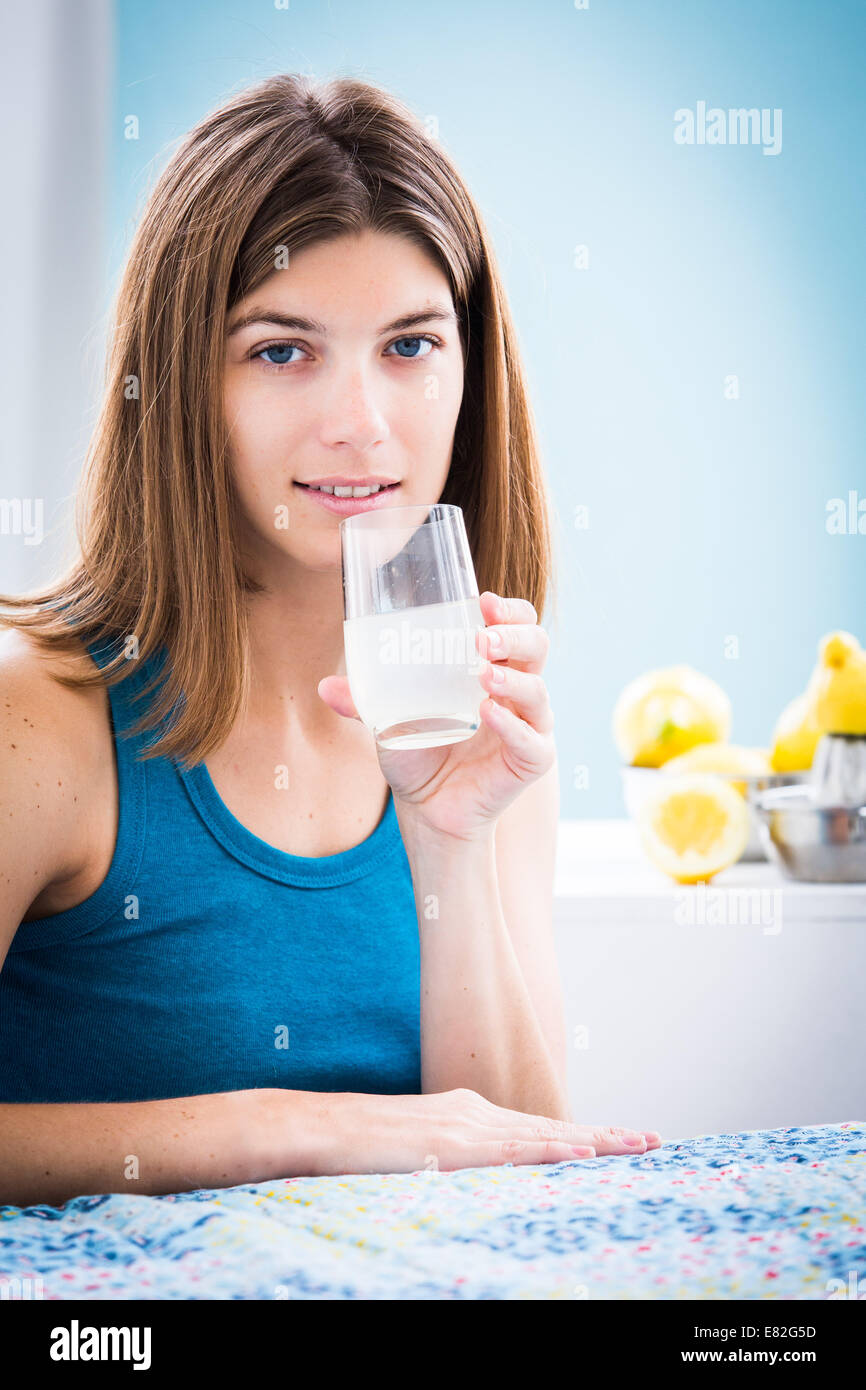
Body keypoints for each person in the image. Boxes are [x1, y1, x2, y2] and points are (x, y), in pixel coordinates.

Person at [0, 73, 660, 1207]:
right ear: (176, 383)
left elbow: (518, 1172)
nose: (360, 422)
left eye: (409, 347)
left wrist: (449, 837)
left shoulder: (483, 737)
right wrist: (274, 1129)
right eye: (280, 350)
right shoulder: (37, 720)